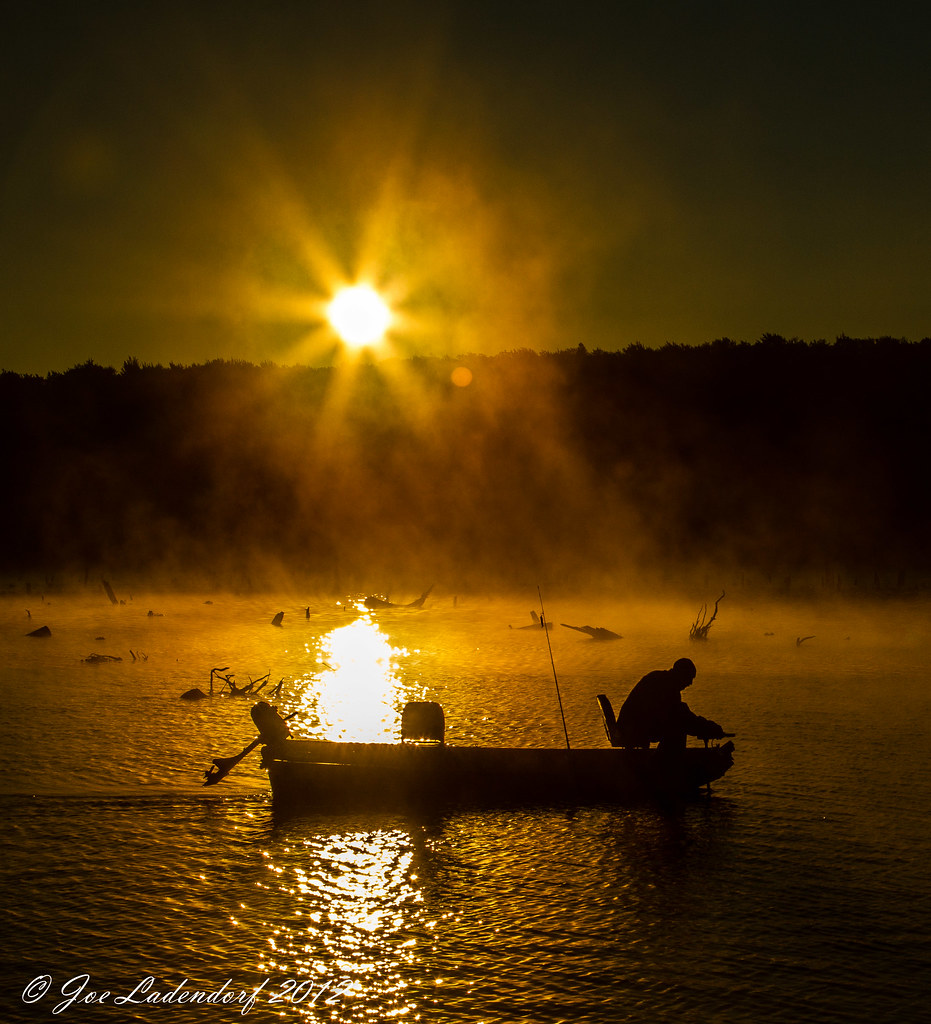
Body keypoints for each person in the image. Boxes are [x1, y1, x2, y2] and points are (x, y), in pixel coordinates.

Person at [616, 657, 725, 751]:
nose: (690, 683)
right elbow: (681, 717)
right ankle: (668, 763)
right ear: (681, 674)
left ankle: (665, 760)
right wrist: (707, 728)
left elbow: (679, 715)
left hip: (631, 726)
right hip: (632, 729)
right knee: (678, 727)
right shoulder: (666, 686)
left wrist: (704, 727)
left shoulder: (660, 679)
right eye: (689, 678)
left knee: (679, 720)